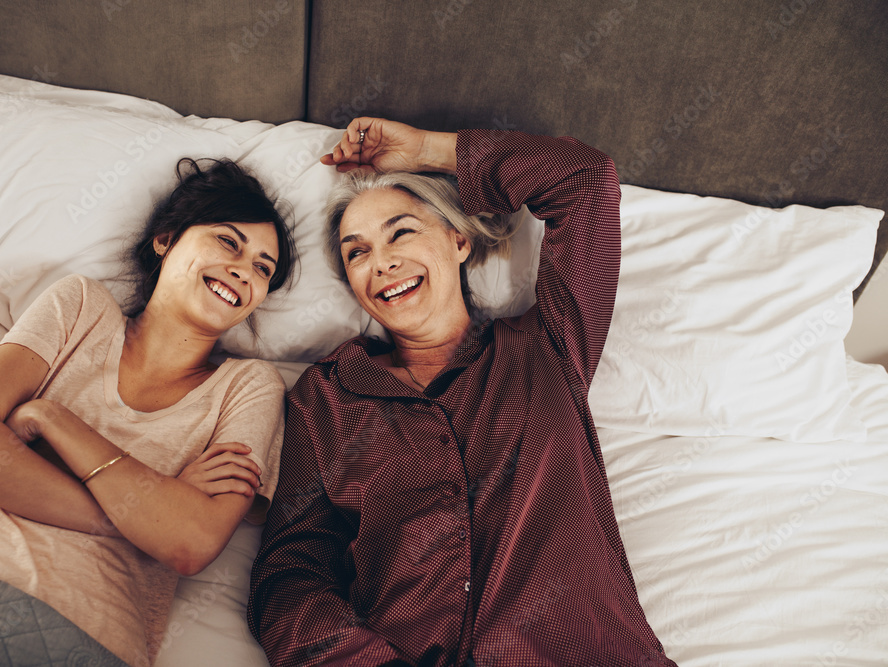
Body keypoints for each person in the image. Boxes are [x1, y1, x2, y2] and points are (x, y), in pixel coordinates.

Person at [248, 119, 677, 666]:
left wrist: (430, 149)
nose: (381, 262)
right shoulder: (329, 399)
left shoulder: (546, 347)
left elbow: (585, 179)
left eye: (401, 232)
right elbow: (290, 575)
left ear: (458, 239)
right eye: (357, 253)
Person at [0, 158, 294, 667]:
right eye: (229, 242)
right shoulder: (78, 308)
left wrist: (51, 419)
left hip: (80, 634)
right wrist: (147, 511)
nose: (244, 270)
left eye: (263, 269)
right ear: (165, 238)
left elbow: (189, 541)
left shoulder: (248, 388)